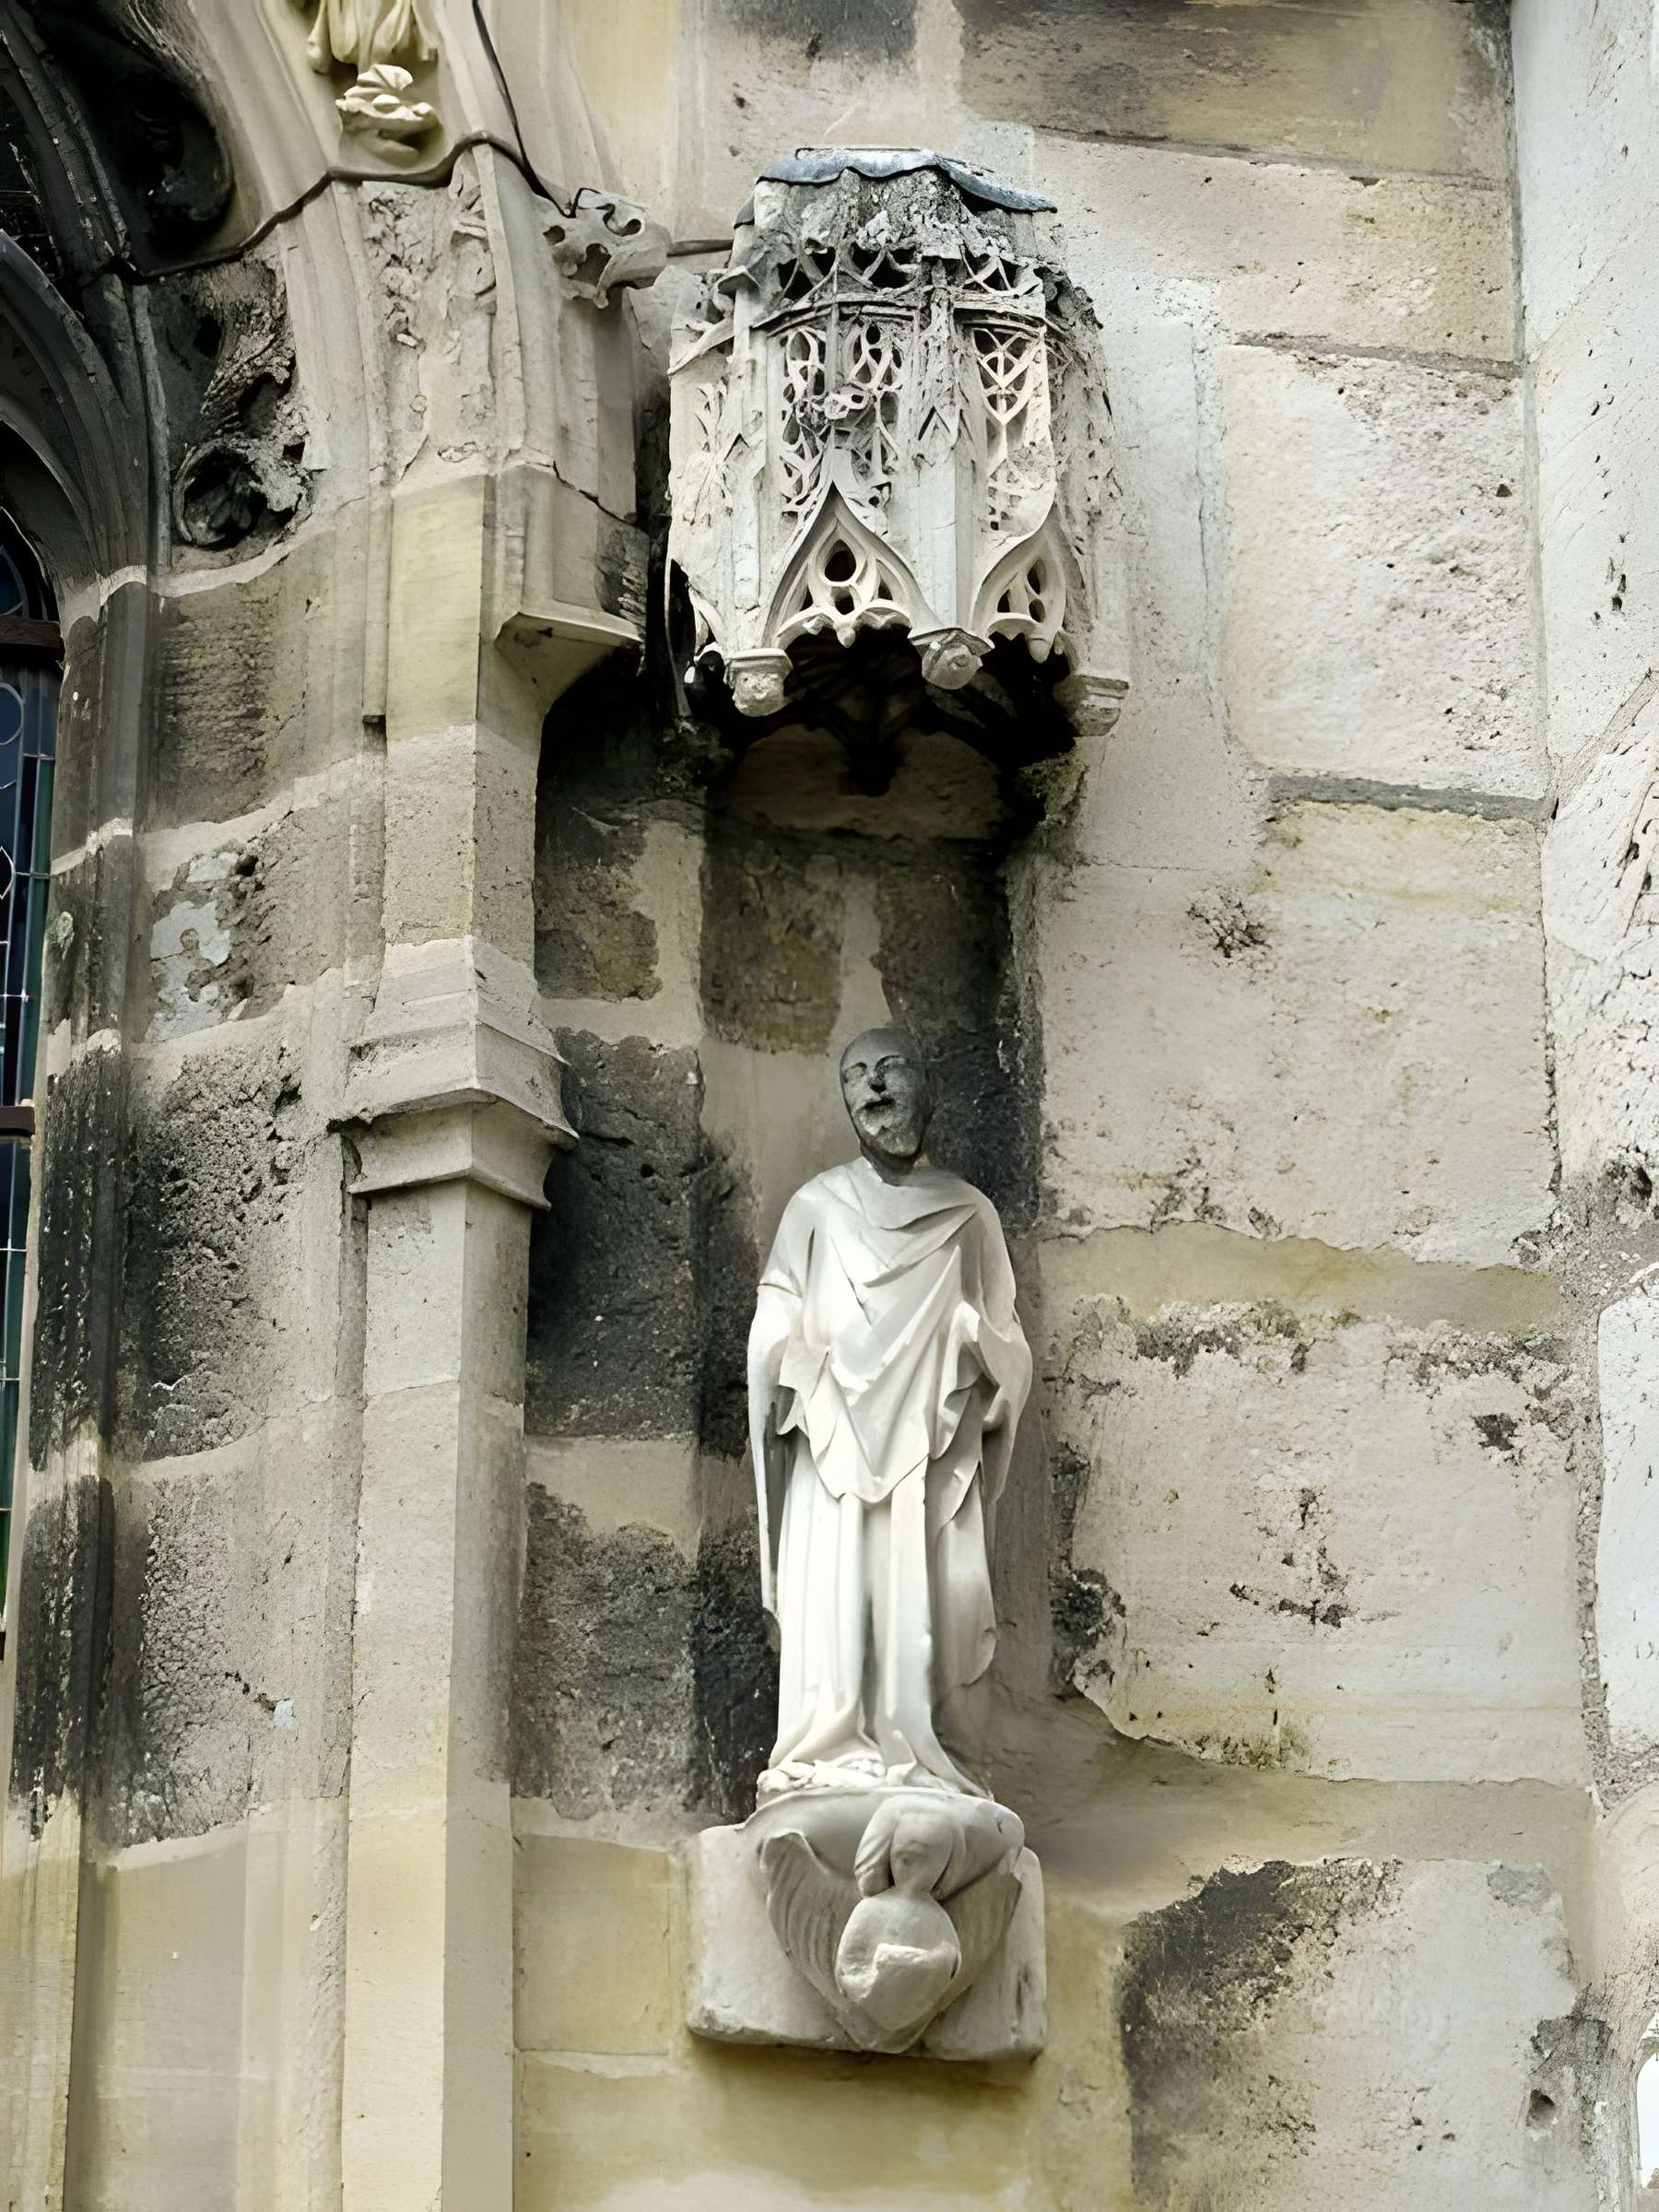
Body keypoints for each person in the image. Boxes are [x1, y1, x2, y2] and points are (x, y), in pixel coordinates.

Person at [747, 1027, 1031, 1799]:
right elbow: (778, 1307)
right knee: (836, 1589)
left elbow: (1008, 1340)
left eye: (890, 1069)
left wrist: (977, 1344)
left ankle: (924, 1748)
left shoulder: (968, 1215)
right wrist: (783, 1354)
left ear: (926, 1089)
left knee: (930, 1590)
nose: (872, 1086)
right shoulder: (817, 1207)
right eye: (856, 1076)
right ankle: (828, 1748)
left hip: (927, 1443)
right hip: (832, 1432)